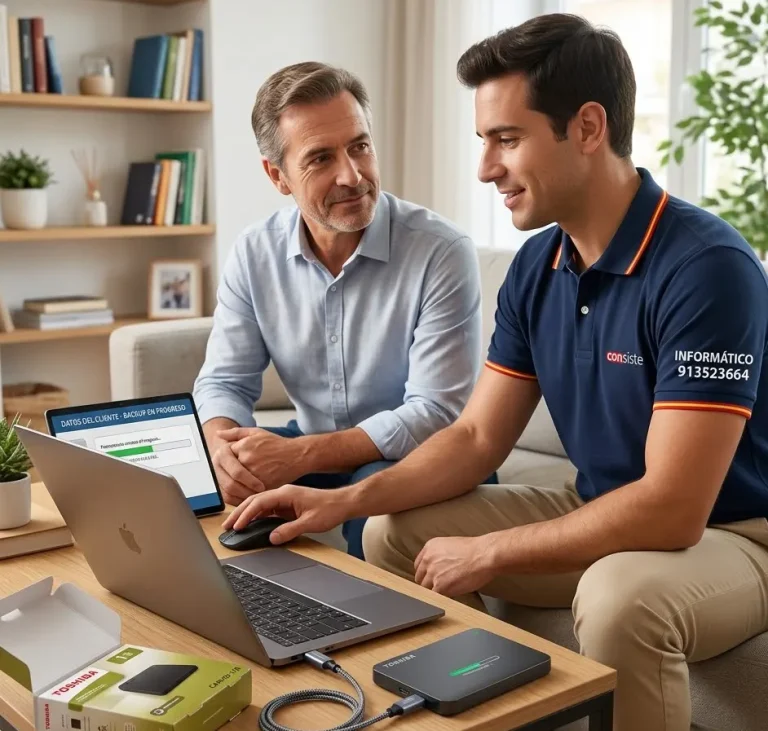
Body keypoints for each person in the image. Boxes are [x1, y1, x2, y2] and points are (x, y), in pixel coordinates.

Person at [222, 15, 768, 731]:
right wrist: (343, 504)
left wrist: (490, 550)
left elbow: (672, 507)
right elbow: (478, 436)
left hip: (734, 533)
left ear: (588, 127)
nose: (485, 167)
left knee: (620, 599)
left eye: (505, 140)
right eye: (484, 141)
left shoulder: (706, 268)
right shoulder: (538, 268)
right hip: (598, 503)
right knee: (392, 529)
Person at [194, 62, 484, 560]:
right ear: (277, 176)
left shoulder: (441, 250)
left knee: (376, 516)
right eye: (320, 158)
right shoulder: (254, 252)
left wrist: (299, 454)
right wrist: (222, 448)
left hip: (421, 456)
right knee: (204, 493)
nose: (351, 175)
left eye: (360, 146)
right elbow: (224, 381)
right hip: (311, 442)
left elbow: (436, 414)